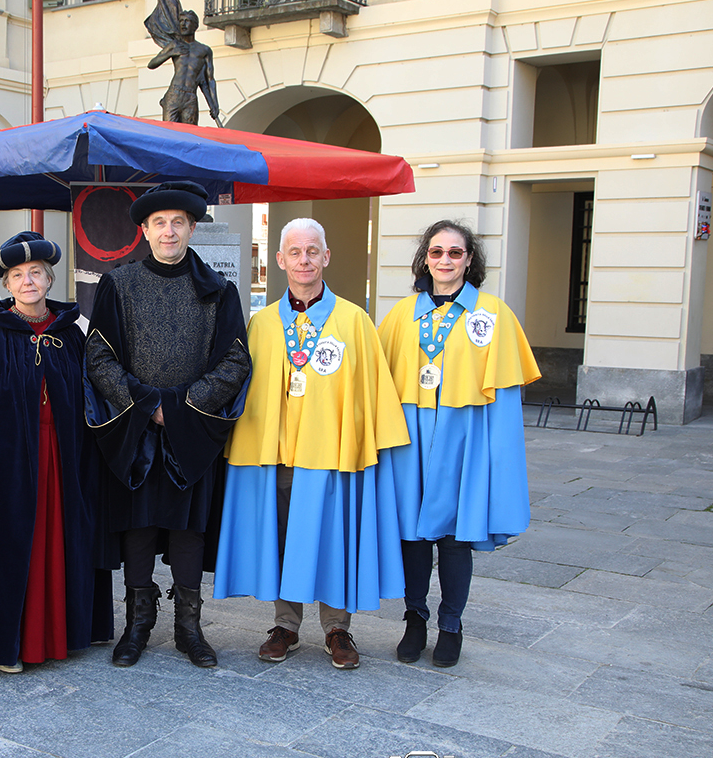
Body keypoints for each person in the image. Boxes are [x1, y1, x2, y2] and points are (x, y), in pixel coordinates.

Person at [215, 219, 409, 669]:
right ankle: (286, 625)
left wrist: (368, 443)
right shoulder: (261, 323)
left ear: (326, 257)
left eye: (312, 251)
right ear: (280, 260)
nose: (304, 260)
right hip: (277, 452)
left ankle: (337, 628)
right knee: (285, 535)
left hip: (331, 451)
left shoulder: (354, 321)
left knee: (331, 535)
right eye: (294, 252)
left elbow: (372, 388)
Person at [85, 180, 251, 669]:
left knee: (186, 529)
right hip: (136, 428)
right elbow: (99, 356)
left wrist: (177, 408)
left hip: (192, 430)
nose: (169, 231)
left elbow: (235, 362)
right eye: (160, 223)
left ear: (192, 228)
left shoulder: (219, 291)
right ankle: (137, 625)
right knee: (138, 526)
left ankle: (188, 628)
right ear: (144, 230)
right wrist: (145, 405)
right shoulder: (119, 283)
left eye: (178, 222)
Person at [0, 232, 112, 673]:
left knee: (59, 539)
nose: (28, 281)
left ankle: (61, 632)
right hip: (6, 468)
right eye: (17, 275)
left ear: (50, 279)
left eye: (35, 272)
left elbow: (92, 401)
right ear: (6, 284)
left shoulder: (72, 335)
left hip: (63, 459)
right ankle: (8, 642)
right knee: (14, 543)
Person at [378, 220, 540, 668]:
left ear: (470, 259)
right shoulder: (399, 316)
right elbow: (376, 387)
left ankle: (451, 624)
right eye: (436, 252)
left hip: (462, 441)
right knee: (412, 536)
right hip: (408, 442)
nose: (445, 260)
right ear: (424, 259)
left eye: (454, 252)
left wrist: (496, 454)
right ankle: (415, 619)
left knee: (452, 538)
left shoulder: (493, 314)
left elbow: (504, 400)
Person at [147, 9, 219, 126]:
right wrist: (170, 53)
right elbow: (151, 64)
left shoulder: (204, 50)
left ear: (195, 26)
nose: (183, 24)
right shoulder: (175, 45)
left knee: (190, 135)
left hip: (190, 97)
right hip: (173, 95)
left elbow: (209, 80)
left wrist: (214, 104)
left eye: (187, 21)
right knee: (169, 134)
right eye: (181, 21)